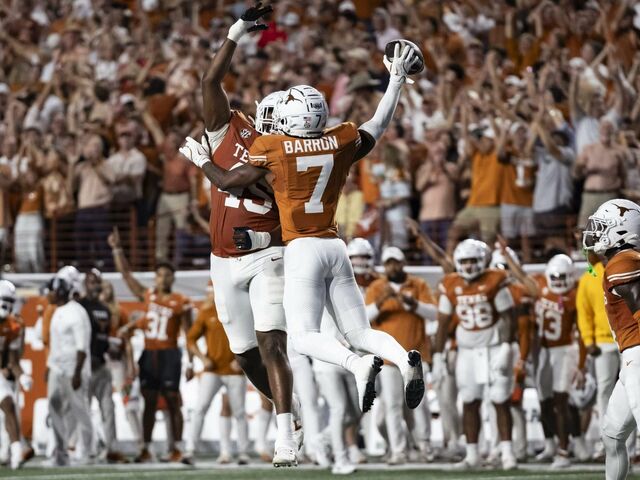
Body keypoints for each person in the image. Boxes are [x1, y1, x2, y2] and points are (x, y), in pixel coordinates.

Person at [182, 43, 426, 416]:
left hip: (301, 249)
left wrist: (202, 160)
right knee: (360, 332)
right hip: (336, 246)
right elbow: (377, 124)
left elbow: (229, 181)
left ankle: (356, 364)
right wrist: (396, 81)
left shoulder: (274, 147)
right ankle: (403, 358)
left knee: (303, 337)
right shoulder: (339, 139)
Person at [179, 4, 300, 467]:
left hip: (267, 254)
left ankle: (284, 432)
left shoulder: (288, 155)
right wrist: (235, 33)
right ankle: (288, 412)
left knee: (271, 343)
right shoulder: (230, 127)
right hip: (222, 257)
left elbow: (245, 187)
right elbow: (209, 82)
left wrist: (203, 163)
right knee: (244, 353)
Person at [432, 239, 518, 470]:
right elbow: (442, 324)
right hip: (467, 350)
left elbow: (509, 317)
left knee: (500, 399)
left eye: (473, 261)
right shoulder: (450, 284)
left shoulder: (495, 280)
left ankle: (507, 453)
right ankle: (472, 455)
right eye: (464, 261)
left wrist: (507, 347)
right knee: (469, 400)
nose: (469, 266)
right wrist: (438, 356)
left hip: (494, 346)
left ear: (482, 261)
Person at [109, 229, 192, 463]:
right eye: (159, 275)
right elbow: (127, 276)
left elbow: (188, 333)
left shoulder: (181, 301)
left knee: (173, 401)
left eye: (167, 275)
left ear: (173, 278)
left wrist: (190, 362)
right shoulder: (148, 296)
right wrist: (117, 249)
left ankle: (177, 448)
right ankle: (146, 448)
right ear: (155, 278)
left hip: (170, 354)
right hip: (149, 354)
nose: (163, 278)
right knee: (149, 403)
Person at [582, 198, 640, 480]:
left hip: (638, 355)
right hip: (630, 358)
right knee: (612, 433)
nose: (594, 232)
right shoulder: (621, 261)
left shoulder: (623, 262)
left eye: (601, 226)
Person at [364, 246, 437, 465]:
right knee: (393, 405)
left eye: (396, 262)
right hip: (388, 358)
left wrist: (414, 304)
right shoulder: (377, 287)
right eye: (388, 263)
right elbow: (364, 318)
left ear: (403, 263)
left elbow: (434, 313)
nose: (392, 267)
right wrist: (381, 301)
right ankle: (398, 450)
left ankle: (424, 445)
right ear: (384, 266)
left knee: (420, 404)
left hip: (414, 354)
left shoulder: (417, 284)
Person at [185, 282, 249, 465]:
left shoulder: (240, 308)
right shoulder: (206, 312)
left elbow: (252, 335)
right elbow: (190, 339)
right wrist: (202, 358)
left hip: (235, 371)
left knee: (239, 412)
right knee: (200, 408)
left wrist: (242, 360)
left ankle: (243, 453)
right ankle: (190, 450)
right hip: (212, 370)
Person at [78, 269, 127, 463]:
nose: (94, 285)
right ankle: (84, 448)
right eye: (91, 281)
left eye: (96, 281)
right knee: (82, 409)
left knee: (108, 407)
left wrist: (112, 348)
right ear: (85, 284)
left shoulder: (105, 309)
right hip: (83, 367)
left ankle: (110, 448)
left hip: (101, 365)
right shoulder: (78, 306)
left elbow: (104, 337)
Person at [46, 272, 93, 466]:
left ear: (59, 291)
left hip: (74, 369)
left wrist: (77, 373)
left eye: (51, 291)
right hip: (57, 368)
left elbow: (82, 347)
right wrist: (49, 366)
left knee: (79, 410)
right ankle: (61, 453)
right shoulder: (57, 310)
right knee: (54, 406)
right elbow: (56, 344)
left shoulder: (76, 312)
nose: (48, 294)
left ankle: (88, 451)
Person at [576, 250, 619, 460]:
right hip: (603, 341)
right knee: (604, 392)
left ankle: (632, 444)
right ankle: (607, 441)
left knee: (633, 391)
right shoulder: (590, 276)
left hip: (630, 338)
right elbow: (584, 312)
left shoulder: (629, 270)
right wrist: (588, 341)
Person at [0, 280, 32, 470]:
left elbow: (12, 360)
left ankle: (16, 451)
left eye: (9, 301)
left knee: (9, 405)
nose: (6, 305)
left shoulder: (13, 326)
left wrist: (22, 376)